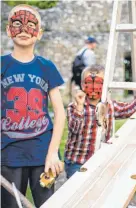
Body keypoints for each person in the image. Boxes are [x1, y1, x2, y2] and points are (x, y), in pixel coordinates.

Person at [1, 4, 65, 208]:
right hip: (8, 154)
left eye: (31, 25)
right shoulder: (2, 65)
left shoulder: (47, 66)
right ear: (8, 30)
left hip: (42, 153)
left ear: (39, 33)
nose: (23, 30)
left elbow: (60, 113)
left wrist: (53, 152)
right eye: (17, 24)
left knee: (46, 204)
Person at [64, 64, 136, 178]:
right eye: (89, 82)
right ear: (83, 85)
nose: (94, 87)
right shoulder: (73, 107)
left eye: (98, 83)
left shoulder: (110, 105)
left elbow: (127, 109)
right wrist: (79, 106)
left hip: (101, 160)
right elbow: (74, 128)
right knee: (75, 191)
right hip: (77, 162)